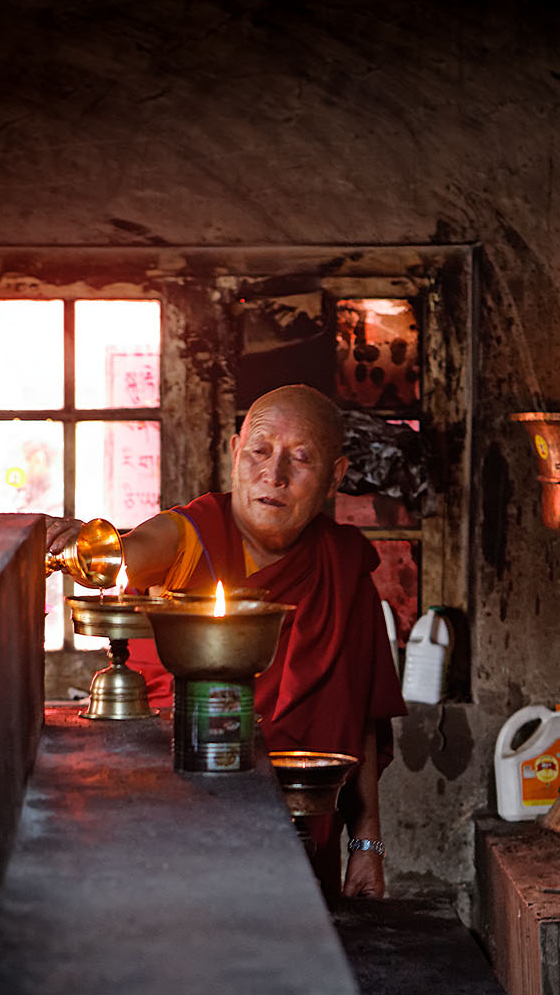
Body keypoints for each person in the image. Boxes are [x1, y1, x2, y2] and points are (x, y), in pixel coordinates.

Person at [48, 384, 406, 898]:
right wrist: (86, 548)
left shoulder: (343, 566)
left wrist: (366, 846)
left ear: (335, 476)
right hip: (174, 812)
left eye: (300, 459)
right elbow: (126, 554)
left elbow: (360, 720)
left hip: (302, 827)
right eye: (259, 452)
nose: (274, 475)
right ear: (236, 451)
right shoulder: (191, 534)